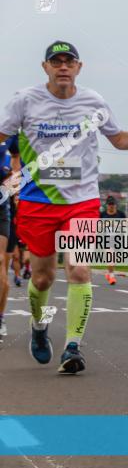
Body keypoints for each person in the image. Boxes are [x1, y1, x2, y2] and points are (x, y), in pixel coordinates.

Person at [0, 40, 128, 373]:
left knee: (79, 269)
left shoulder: (94, 102)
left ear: (79, 67)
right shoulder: (25, 101)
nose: (63, 66)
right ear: (45, 67)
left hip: (83, 201)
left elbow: (118, 139)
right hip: (37, 201)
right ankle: (39, 326)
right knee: (44, 277)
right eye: (56, 61)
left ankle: (73, 347)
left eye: (69, 61)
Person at [0, 136, 18, 341]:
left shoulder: (8, 134)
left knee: (1, 261)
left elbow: (16, 154)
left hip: (1, 209)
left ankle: (0, 316)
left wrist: (13, 180)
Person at [98, 196, 126, 285]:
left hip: (118, 239)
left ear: (115, 205)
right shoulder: (102, 215)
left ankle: (109, 273)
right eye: (110, 204)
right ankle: (111, 276)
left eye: (113, 204)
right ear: (107, 205)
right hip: (106, 239)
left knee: (115, 259)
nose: (111, 206)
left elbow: (125, 225)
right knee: (110, 256)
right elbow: (98, 226)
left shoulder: (121, 214)